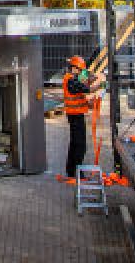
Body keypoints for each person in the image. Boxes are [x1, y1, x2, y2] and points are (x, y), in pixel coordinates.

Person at [58, 55, 103, 183]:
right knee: (80, 145)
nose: (82, 73)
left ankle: (72, 171)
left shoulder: (74, 79)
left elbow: (87, 83)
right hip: (75, 116)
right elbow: (87, 88)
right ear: (74, 68)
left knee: (75, 144)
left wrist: (90, 103)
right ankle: (76, 172)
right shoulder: (71, 81)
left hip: (76, 115)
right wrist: (102, 84)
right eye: (80, 70)